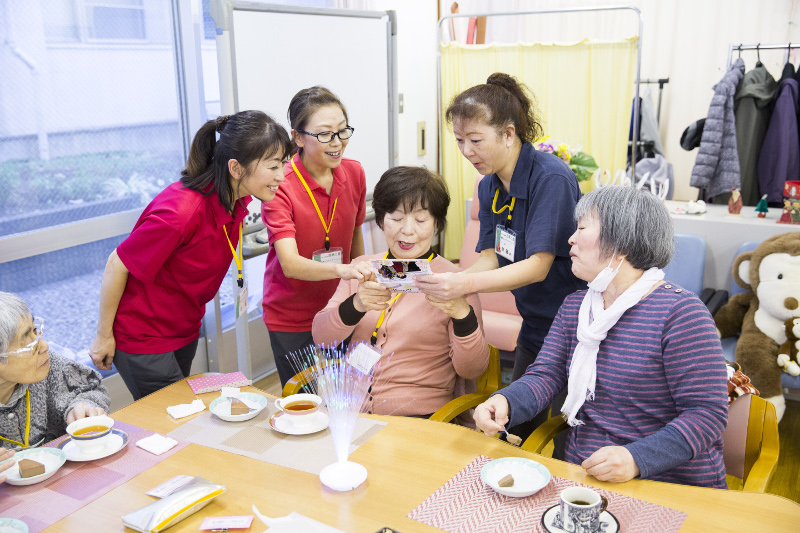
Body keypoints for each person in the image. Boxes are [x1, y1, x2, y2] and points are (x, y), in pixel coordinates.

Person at [474, 186, 729, 488]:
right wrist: (504, 400)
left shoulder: (681, 313)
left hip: (670, 480)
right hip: (586, 471)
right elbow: (546, 375)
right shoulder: (575, 307)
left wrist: (635, 458)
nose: (570, 238)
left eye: (582, 227)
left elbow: (707, 414)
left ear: (621, 240)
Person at [416, 73, 586, 434]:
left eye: (476, 140)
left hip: (573, 330)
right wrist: (451, 280)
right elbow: (492, 254)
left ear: (509, 134)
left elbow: (539, 266)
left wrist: (462, 284)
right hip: (535, 325)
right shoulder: (490, 184)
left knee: (564, 433)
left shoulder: (550, 179)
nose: (467, 151)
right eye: (460, 141)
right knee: (517, 427)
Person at [89, 111, 293, 400]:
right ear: (236, 168)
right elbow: (116, 264)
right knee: (175, 418)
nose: (282, 176)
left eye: (284, 164)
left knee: (179, 416)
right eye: (274, 166)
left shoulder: (235, 199)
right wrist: (103, 335)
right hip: (144, 336)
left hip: (182, 328)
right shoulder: (181, 211)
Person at [313, 167, 490, 417]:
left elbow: (472, 370)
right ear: (381, 220)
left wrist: (463, 314)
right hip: (350, 411)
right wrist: (356, 305)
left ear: (436, 224)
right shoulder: (361, 268)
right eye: (396, 218)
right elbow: (321, 337)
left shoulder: (456, 282)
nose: (407, 231)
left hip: (418, 417)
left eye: (420, 220)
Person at [262, 87, 370, 386]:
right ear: (298, 137)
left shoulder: (355, 172)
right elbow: (291, 264)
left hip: (342, 309)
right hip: (292, 316)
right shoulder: (280, 183)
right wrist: (344, 269)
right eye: (325, 135)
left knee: (348, 394)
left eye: (342, 132)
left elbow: (356, 233)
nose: (337, 143)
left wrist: (360, 280)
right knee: (306, 404)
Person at [1, 292, 110, 454]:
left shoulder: (45, 362)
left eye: (35, 331)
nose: (44, 346)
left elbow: (91, 388)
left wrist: (83, 406)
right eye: (29, 343)